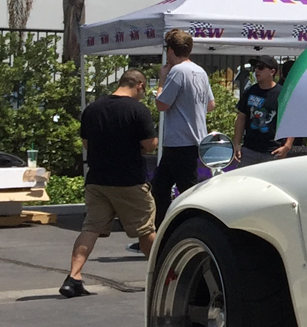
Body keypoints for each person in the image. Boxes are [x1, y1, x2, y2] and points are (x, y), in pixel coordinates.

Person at [63, 68, 157, 297]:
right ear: (140, 85)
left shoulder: (93, 109)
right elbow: (150, 145)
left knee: (91, 227)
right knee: (146, 229)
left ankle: (73, 277)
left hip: (97, 179)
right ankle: (162, 275)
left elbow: (86, 143)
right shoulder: (138, 110)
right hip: (129, 180)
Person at [151, 28, 214, 223]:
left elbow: (162, 104)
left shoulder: (177, 72)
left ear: (170, 50)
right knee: (161, 187)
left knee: (186, 191)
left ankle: (194, 228)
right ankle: (160, 230)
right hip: (195, 138)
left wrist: (162, 79)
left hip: (180, 140)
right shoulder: (199, 71)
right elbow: (210, 105)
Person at [233, 57, 293, 165]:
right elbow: (241, 118)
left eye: (260, 68)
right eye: (255, 68)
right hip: (249, 150)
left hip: (273, 151)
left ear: (272, 72)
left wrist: (287, 146)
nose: (256, 71)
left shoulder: (281, 94)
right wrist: (236, 144)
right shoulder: (250, 91)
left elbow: (290, 120)